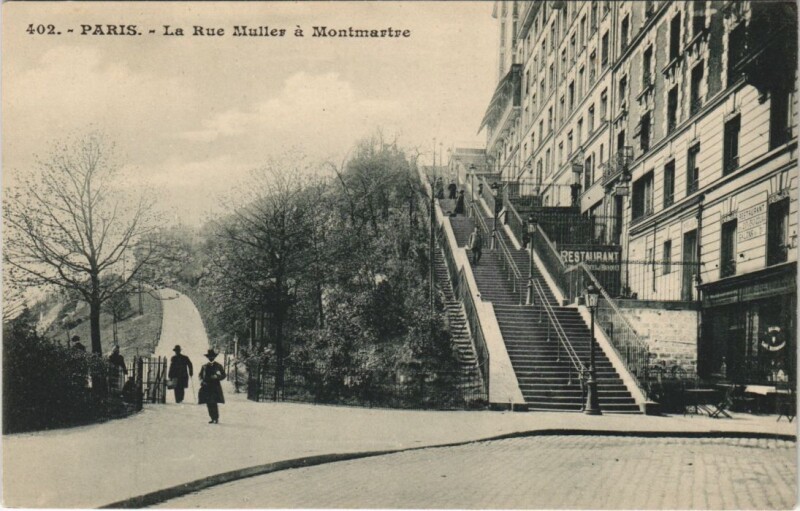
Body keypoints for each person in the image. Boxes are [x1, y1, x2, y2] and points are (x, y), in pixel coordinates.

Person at [198, 348, 226, 424]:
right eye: (209, 357)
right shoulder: (204, 366)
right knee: (208, 403)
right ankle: (212, 418)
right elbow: (200, 375)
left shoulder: (218, 366)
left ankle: (216, 418)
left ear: (214, 357)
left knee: (214, 402)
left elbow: (224, 375)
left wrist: (217, 376)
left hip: (215, 387)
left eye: (212, 357)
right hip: (206, 387)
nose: (211, 358)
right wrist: (202, 381)